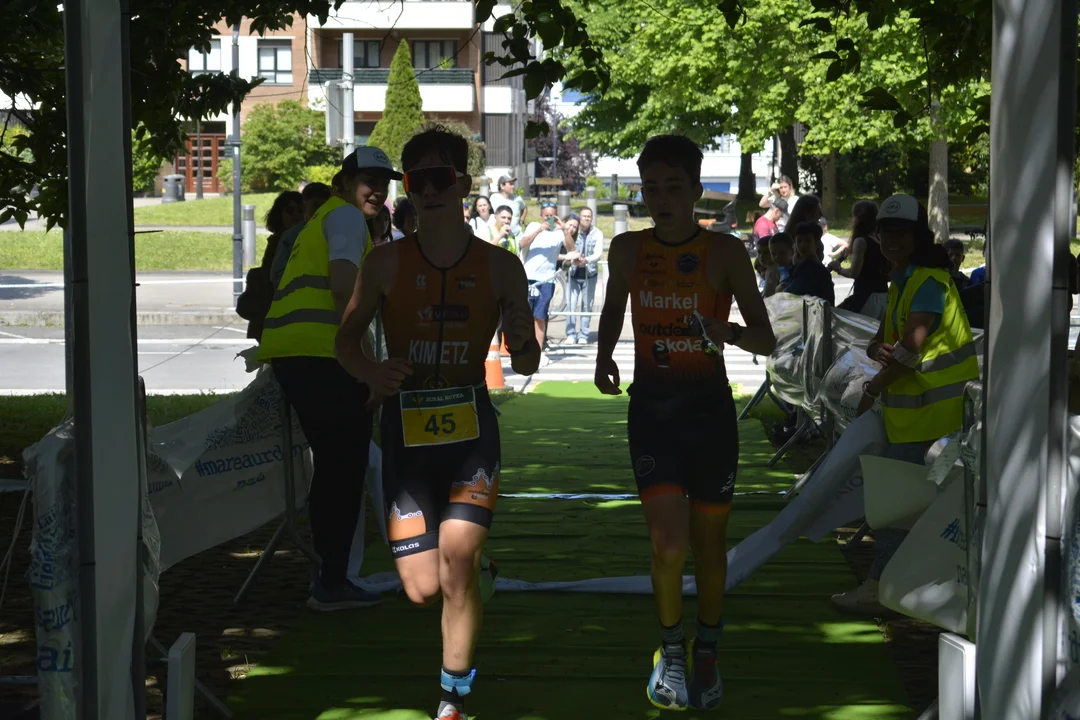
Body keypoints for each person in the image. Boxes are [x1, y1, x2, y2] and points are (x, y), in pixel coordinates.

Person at [335, 125, 541, 720]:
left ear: (462, 184)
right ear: (408, 187)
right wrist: (372, 373)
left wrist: (524, 342)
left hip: (472, 433)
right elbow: (345, 342)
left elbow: (526, 361)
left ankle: (454, 698)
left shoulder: (501, 266)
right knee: (424, 588)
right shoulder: (383, 263)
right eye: (417, 180)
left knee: (457, 560)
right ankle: (477, 576)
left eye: (439, 178)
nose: (428, 190)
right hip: (406, 435)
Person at [594, 135, 776, 712]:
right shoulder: (626, 249)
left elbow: (767, 340)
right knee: (668, 548)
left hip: (709, 415)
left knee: (709, 547)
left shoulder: (725, 252)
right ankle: (672, 651)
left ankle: (708, 651)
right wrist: (603, 358)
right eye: (651, 188)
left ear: (697, 191)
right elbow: (613, 308)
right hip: (652, 412)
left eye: (674, 187)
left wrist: (728, 333)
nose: (662, 199)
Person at [256, 146, 401, 612]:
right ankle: (333, 581)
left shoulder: (328, 218)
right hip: (320, 356)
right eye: (369, 180)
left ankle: (330, 576)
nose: (377, 190)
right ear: (343, 183)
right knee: (343, 467)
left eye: (384, 182)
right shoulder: (345, 218)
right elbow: (343, 289)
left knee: (336, 467)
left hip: (303, 353)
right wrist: (367, 368)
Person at [832, 194, 980, 614]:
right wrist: (877, 349)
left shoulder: (927, 282)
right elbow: (886, 339)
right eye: (885, 232)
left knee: (897, 506)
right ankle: (901, 585)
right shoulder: (904, 278)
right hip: (923, 420)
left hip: (936, 421)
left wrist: (872, 388)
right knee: (908, 503)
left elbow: (910, 349)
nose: (891, 239)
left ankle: (881, 588)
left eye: (901, 232)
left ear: (918, 237)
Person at [236, 190, 303, 341]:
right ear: (279, 215)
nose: (296, 215)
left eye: (301, 210)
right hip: (275, 313)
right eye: (290, 210)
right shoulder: (277, 242)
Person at [519, 201, 582, 363]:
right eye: (546, 215)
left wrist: (564, 230)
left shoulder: (559, 232)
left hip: (547, 280)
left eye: (552, 216)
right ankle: (524, 349)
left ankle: (537, 352)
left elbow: (571, 249)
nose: (549, 218)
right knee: (525, 316)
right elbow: (523, 243)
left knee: (540, 317)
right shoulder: (533, 226)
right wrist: (539, 230)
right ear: (541, 216)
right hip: (528, 277)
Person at [268, 182, 334, 290]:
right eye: (316, 205)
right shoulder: (291, 236)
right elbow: (277, 276)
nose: (296, 214)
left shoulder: (337, 232)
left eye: (325, 206)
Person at [565, 206, 605, 344]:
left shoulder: (597, 233)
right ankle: (571, 334)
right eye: (584, 216)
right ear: (579, 217)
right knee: (571, 305)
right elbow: (567, 248)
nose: (586, 218)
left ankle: (583, 335)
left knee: (587, 306)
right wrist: (573, 259)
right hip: (573, 274)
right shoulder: (573, 231)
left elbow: (598, 253)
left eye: (589, 216)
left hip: (590, 275)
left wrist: (586, 260)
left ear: (592, 218)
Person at [782, 221, 835, 305]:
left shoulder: (812, 269)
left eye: (808, 241)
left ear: (816, 243)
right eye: (799, 241)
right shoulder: (805, 266)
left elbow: (790, 294)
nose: (802, 245)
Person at [767, 232, 795, 296]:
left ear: (792, 251)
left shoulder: (797, 269)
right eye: (773, 254)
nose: (777, 257)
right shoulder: (779, 269)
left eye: (782, 253)